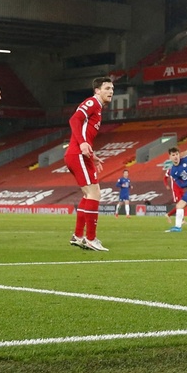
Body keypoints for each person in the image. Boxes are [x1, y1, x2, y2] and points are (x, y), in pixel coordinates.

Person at [66, 76, 113, 251]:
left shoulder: (99, 108)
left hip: (82, 154)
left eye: (112, 89)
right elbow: (74, 120)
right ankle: (91, 238)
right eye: (107, 88)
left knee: (90, 195)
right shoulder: (92, 102)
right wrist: (83, 143)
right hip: (77, 153)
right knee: (94, 194)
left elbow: (85, 131)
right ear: (97, 90)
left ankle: (78, 236)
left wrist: (91, 154)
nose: (111, 92)